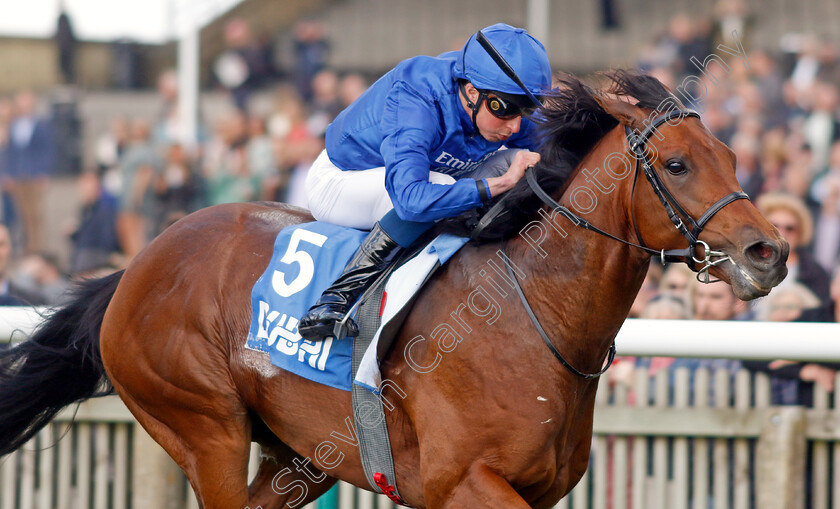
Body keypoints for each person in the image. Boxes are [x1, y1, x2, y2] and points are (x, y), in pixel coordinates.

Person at [298, 23, 551, 340]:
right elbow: (410, 199)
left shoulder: (495, 96)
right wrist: (496, 186)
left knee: (515, 161)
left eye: (524, 112)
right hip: (341, 182)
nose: (515, 126)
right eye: (506, 110)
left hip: (421, 182)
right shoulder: (418, 96)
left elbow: (560, 152)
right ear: (471, 92)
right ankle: (335, 298)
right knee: (443, 183)